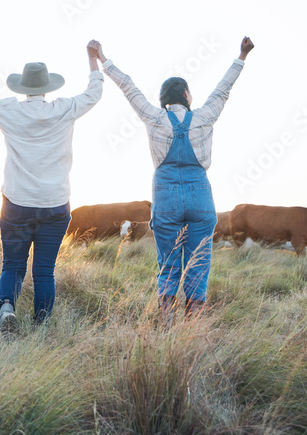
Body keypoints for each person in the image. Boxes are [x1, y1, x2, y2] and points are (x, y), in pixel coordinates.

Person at [94, 36, 254, 320]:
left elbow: (129, 88)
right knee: (199, 261)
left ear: (164, 100)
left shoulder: (154, 118)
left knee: (168, 264)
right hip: (200, 197)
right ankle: (192, 328)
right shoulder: (204, 116)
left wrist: (102, 58)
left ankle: (166, 323)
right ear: (187, 96)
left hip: (165, 197)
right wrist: (241, 56)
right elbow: (222, 90)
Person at [0, 41, 104, 335]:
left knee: (12, 265)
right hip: (55, 204)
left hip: (17, 203)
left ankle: (8, 309)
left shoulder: (7, 108)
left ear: (23, 88)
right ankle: (41, 327)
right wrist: (93, 59)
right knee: (44, 271)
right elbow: (95, 92)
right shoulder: (65, 108)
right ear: (47, 87)